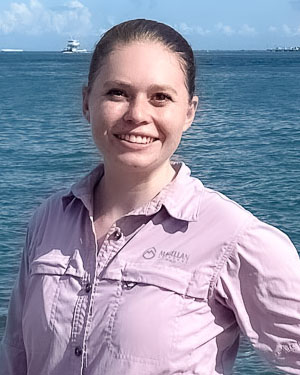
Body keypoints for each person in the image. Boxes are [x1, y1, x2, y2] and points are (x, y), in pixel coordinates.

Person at [0, 18, 299, 375]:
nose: (137, 115)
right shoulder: (49, 220)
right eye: (117, 93)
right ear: (86, 102)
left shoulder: (234, 238)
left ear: (189, 112)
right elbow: (16, 355)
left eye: (160, 97)